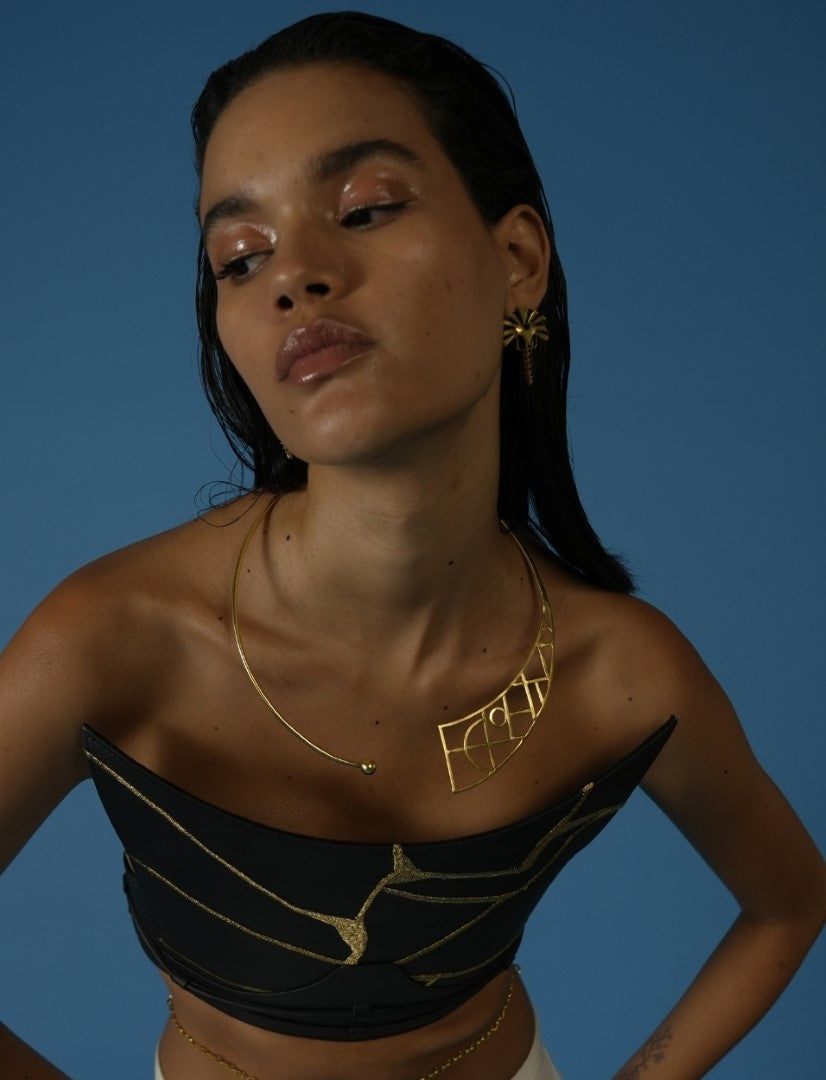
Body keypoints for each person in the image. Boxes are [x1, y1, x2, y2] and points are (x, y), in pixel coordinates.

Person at [1, 11, 824, 1080]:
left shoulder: (620, 671)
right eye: (239, 259)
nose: (293, 274)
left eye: (366, 207)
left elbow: (787, 901)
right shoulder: (110, 637)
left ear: (517, 257)